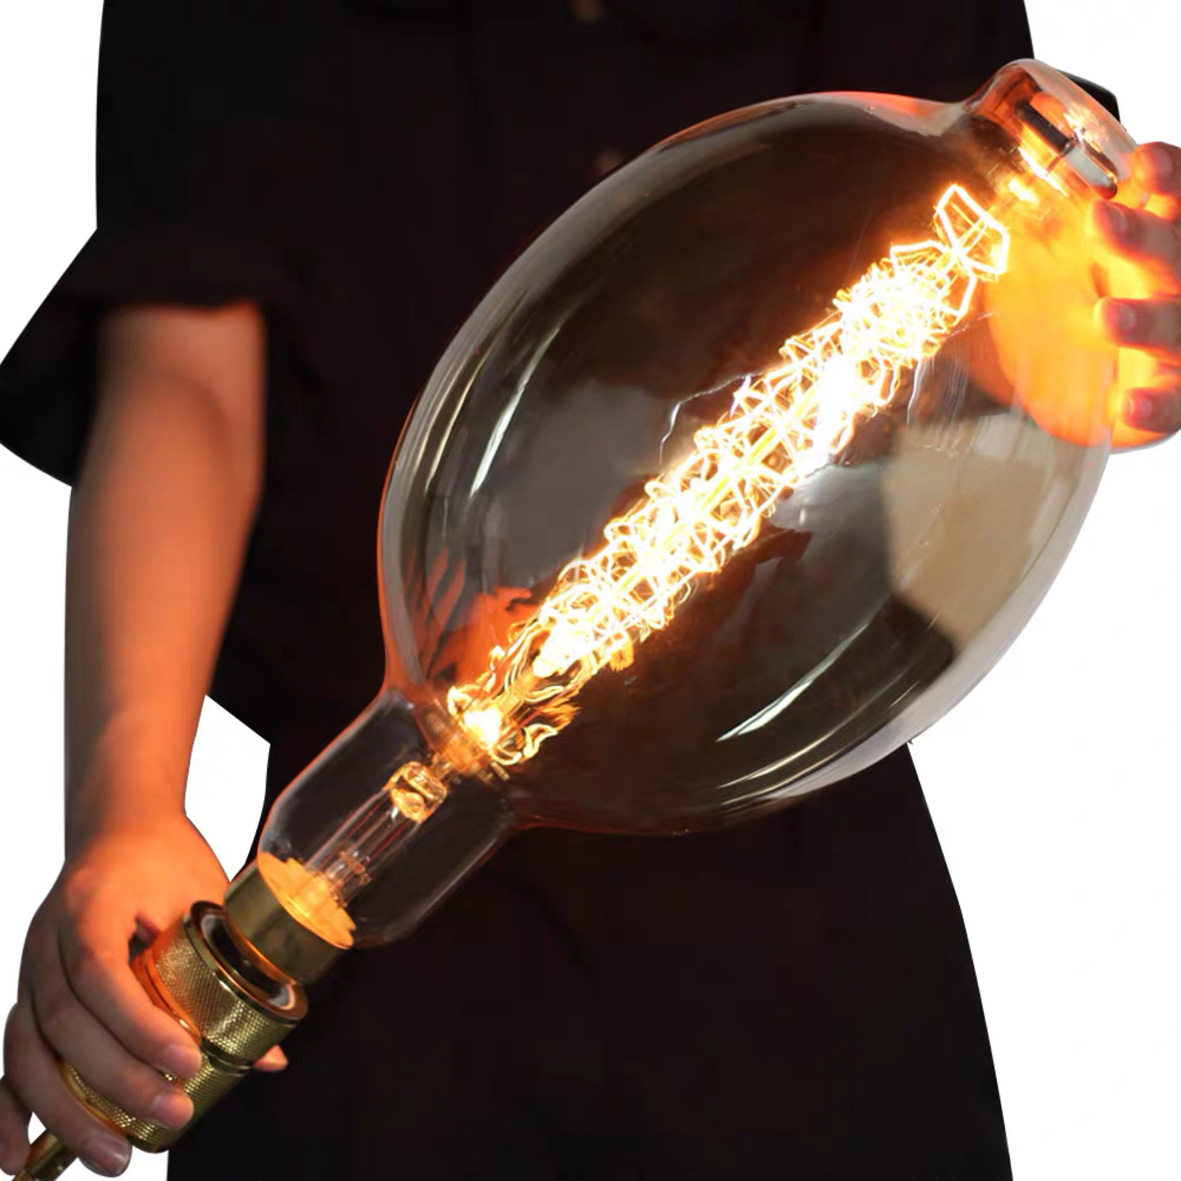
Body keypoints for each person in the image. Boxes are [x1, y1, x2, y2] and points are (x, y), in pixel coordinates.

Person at [0, 2, 1179, 1177]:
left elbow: (998, 261)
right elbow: (186, 367)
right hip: (387, 1023)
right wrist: (127, 810)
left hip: (788, 891)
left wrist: (1078, 324)